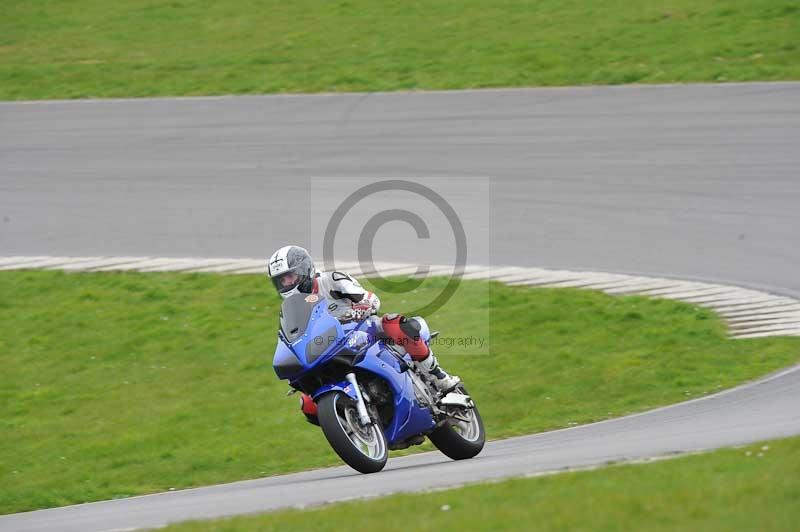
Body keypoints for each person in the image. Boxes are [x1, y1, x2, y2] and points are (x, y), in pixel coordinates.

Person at [267, 245, 460, 418]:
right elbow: (293, 335)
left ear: (304, 269)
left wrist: (360, 307)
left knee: (394, 323)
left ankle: (439, 377)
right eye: (281, 281)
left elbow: (370, 298)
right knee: (308, 405)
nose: (286, 284)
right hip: (330, 346)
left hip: (361, 330)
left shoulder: (331, 280)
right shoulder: (293, 308)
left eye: (290, 277)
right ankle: (352, 420)